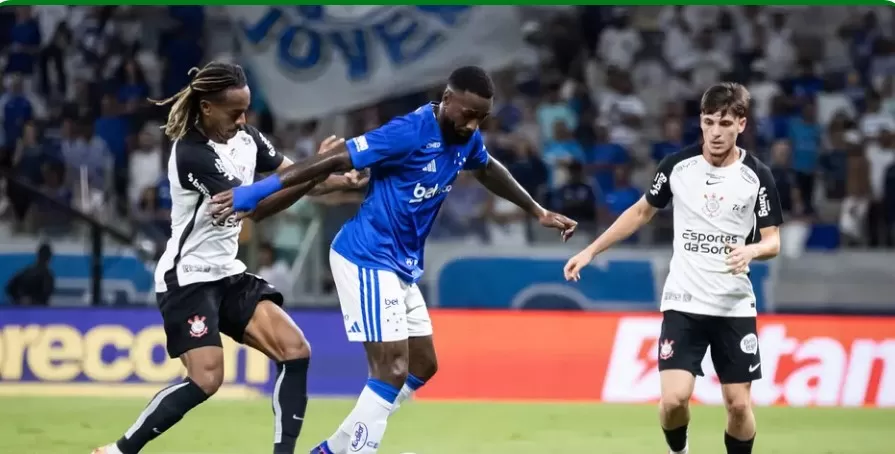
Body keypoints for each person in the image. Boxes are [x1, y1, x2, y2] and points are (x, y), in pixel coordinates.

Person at [210, 66, 578, 454]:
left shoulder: (465, 137)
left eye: (480, 118)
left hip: (400, 265)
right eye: (467, 114)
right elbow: (336, 159)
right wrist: (257, 191)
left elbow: (486, 167)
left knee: (422, 365)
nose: (472, 125)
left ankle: (334, 449)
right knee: (391, 370)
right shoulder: (409, 131)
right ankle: (357, 450)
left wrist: (536, 210)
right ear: (447, 100)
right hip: (366, 256)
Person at [92, 62, 364, 454]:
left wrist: (344, 175)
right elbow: (257, 205)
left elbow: (299, 177)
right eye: (234, 112)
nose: (242, 120)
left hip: (228, 274)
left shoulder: (248, 138)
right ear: (206, 108)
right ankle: (119, 451)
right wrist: (315, 170)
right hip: (187, 279)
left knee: (296, 350)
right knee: (207, 379)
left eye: (245, 111)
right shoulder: (192, 153)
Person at [563, 83, 783, 454]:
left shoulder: (756, 176)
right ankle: (678, 451)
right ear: (700, 121)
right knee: (674, 402)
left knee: (739, 405)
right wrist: (591, 250)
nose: (715, 131)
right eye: (709, 121)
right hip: (683, 302)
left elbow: (773, 241)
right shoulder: (678, 167)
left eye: (725, 123)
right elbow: (640, 212)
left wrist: (753, 251)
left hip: (733, 306)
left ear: (741, 125)